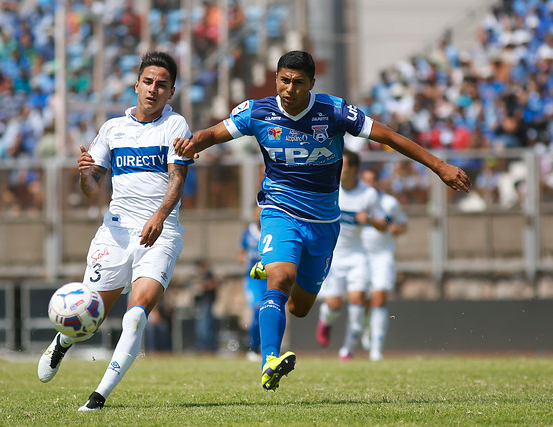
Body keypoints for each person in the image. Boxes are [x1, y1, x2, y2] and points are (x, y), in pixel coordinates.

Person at [173, 50, 471, 391]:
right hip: (279, 210)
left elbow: (388, 137)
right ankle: (270, 358)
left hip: (324, 222)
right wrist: (191, 143)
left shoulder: (335, 111)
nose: (289, 88)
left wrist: (439, 166)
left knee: (299, 308)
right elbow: (212, 134)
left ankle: (274, 265)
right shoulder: (257, 112)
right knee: (280, 281)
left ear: (312, 83)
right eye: (284, 80)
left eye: (298, 82)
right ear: (276, 79)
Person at [37, 51, 194, 411]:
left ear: (171, 92)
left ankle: (98, 396)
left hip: (161, 232)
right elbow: (91, 188)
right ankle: (62, 343)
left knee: (137, 313)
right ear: (136, 85)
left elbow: (178, 180)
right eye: (148, 82)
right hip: (116, 234)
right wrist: (84, 173)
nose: (153, 90)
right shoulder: (112, 128)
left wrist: (159, 216)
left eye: (162, 85)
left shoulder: (175, 126)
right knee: (89, 317)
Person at [315, 151, 388, 361]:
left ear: (354, 169)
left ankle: (347, 349)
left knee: (357, 301)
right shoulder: (331, 188)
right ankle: (325, 321)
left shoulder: (368, 194)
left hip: (358, 256)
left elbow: (384, 224)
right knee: (334, 305)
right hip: (334, 256)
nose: (338, 167)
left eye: (343, 164)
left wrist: (371, 220)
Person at [360, 168, 408, 361]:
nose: (369, 184)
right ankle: (365, 325)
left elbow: (403, 224)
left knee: (379, 298)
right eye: (366, 180)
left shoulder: (389, 202)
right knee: (361, 298)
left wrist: (398, 228)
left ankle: (376, 349)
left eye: (372, 180)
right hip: (360, 257)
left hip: (382, 256)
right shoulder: (354, 201)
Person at [239, 205, 267, 361]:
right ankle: (253, 347)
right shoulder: (247, 233)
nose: (259, 214)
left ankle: (268, 347)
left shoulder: (270, 232)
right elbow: (241, 254)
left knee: (268, 311)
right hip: (253, 281)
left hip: (269, 280)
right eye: (257, 211)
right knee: (257, 310)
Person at [191, 259, 219, 352]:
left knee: (205, 327)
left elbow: (213, 284)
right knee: (201, 327)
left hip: (207, 302)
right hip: (201, 303)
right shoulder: (200, 275)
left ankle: (208, 348)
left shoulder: (208, 274)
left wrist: (202, 285)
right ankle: (202, 348)